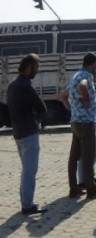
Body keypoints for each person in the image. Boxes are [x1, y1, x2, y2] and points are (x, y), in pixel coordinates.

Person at [6, 53, 47, 215]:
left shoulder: (12, 85)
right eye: (36, 67)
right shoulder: (26, 86)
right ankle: (27, 205)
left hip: (18, 132)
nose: (37, 70)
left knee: (26, 169)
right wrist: (38, 120)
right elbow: (42, 107)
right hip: (29, 132)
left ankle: (25, 200)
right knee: (30, 170)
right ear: (29, 67)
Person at [67, 53, 96, 199]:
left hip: (76, 121)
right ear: (93, 63)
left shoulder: (75, 75)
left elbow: (69, 93)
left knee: (74, 157)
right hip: (86, 123)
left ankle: (74, 187)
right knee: (88, 157)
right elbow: (83, 86)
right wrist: (86, 100)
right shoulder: (86, 75)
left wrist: (92, 99)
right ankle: (92, 190)